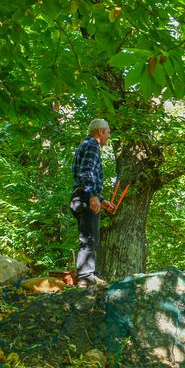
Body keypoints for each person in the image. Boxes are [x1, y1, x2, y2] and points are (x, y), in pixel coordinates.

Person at [70, 119, 115, 288]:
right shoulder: (92, 146)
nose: (109, 136)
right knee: (89, 238)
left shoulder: (86, 145)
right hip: (84, 196)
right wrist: (93, 196)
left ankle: (91, 274)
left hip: (81, 196)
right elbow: (86, 172)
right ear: (100, 132)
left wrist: (101, 200)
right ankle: (86, 277)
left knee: (91, 237)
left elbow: (84, 175)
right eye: (108, 132)